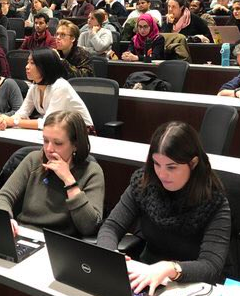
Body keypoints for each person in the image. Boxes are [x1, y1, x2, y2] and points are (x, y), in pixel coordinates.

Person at [97, 121, 230, 294]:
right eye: (156, 164)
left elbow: (211, 265)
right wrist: (111, 256)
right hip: (145, 273)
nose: (161, 174)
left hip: (191, 285)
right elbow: (111, 226)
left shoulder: (214, 201)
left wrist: (170, 268)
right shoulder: (144, 183)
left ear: (193, 163)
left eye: (171, 167)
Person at [0, 111, 104, 237]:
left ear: (75, 145)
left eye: (58, 143)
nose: (49, 149)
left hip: (60, 243)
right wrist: (6, 218)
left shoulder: (91, 172)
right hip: (24, 233)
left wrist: (69, 181)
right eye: (45, 141)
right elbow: (3, 197)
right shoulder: (34, 160)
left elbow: (89, 227)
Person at [0, 48, 93, 130]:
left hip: (81, 133)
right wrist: (5, 121)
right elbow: (23, 112)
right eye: (27, 62)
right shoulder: (34, 87)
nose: (26, 67)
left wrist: (14, 122)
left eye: (32, 63)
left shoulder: (60, 86)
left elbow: (48, 123)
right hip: (59, 131)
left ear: (45, 66)